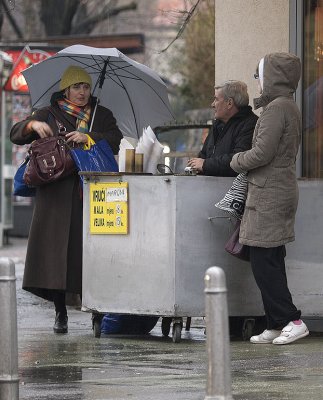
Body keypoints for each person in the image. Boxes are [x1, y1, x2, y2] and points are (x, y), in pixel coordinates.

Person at [10, 65, 123, 334]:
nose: (82, 92)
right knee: (56, 256)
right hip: (55, 195)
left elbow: (116, 140)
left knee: (90, 253)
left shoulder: (101, 115)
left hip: (91, 192)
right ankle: (60, 312)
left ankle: (96, 310)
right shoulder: (48, 114)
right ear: (66, 89)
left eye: (85, 87)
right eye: (76, 87)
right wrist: (32, 124)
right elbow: (15, 134)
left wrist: (89, 137)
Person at [230, 53, 309, 345]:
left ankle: (292, 319)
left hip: (270, 193)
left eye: (259, 74)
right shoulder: (285, 106)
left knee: (265, 262)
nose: (258, 81)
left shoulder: (277, 109)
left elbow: (262, 153)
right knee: (269, 259)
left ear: (272, 77)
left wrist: (235, 160)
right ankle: (276, 322)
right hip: (274, 190)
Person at [187, 80, 258, 176]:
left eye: (216, 99)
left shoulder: (250, 124)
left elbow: (240, 159)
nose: (212, 104)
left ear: (229, 103)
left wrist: (205, 164)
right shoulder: (218, 124)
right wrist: (194, 167)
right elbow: (203, 156)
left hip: (234, 189)